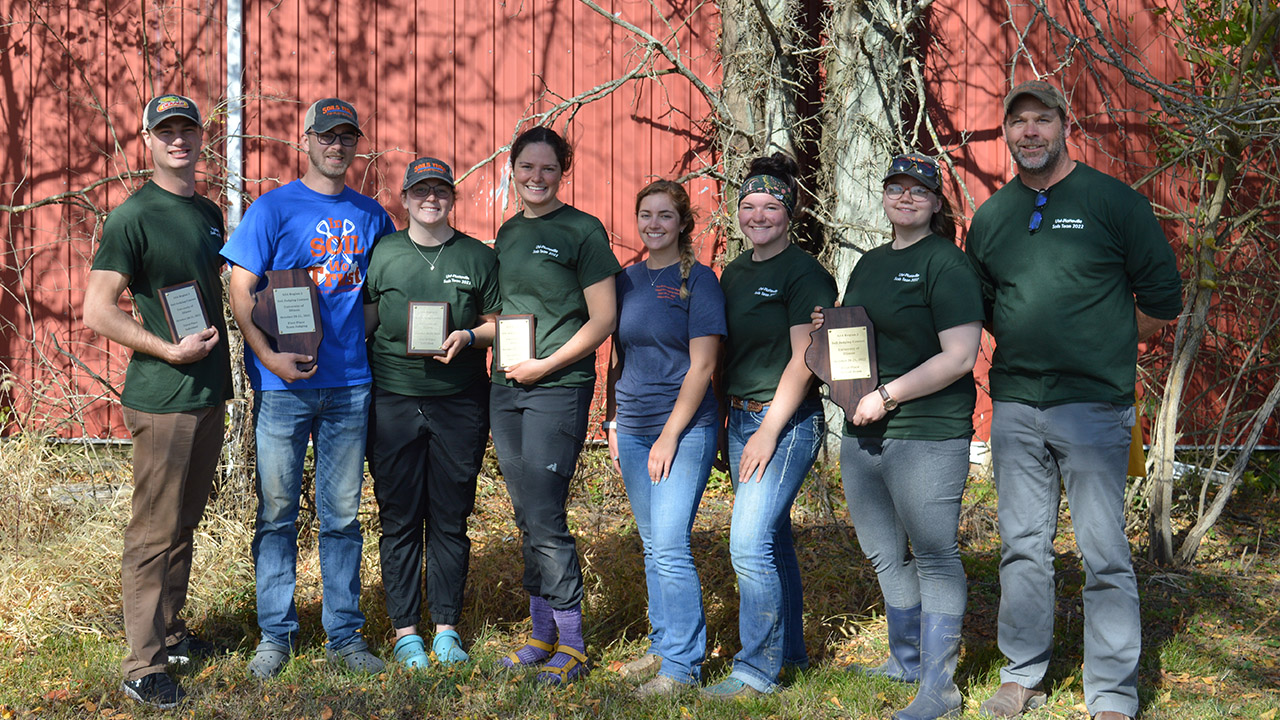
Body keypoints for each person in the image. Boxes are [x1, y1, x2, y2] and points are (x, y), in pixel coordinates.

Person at [966, 81, 1182, 720]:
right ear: (1006, 134)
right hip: (1016, 408)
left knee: (1103, 551)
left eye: (1041, 120)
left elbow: (1162, 300)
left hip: (1093, 409)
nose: (1029, 132)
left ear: (1066, 125)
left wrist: (1105, 343)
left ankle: (1112, 693)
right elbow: (980, 306)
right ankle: (1022, 673)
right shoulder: (994, 216)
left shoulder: (1113, 202)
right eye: (1018, 123)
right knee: (1022, 545)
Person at [222, 97, 395, 678]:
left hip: (350, 384)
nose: (337, 145)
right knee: (276, 513)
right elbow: (241, 290)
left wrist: (347, 338)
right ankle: (276, 634)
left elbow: (379, 297)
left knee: (343, 515)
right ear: (308, 140)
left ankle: (344, 636)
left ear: (355, 145)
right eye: (327, 135)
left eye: (347, 136)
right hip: (283, 387)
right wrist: (270, 355)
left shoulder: (373, 216)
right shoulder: (272, 210)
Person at [813, 154, 983, 720]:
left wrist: (887, 396)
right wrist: (827, 335)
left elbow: (959, 358)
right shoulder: (870, 263)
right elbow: (858, 340)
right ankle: (905, 660)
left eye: (918, 190)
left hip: (927, 432)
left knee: (934, 554)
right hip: (864, 431)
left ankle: (940, 690)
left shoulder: (947, 265)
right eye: (895, 188)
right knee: (884, 553)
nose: (905, 197)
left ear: (936, 203)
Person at [84, 94, 232, 709]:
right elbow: (97, 310)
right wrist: (167, 352)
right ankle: (141, 664)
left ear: (202, 138)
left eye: (188, 131)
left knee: (183, 523)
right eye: (166, 131)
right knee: (152, 531)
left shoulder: (208, 211)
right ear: (146, 139)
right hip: (162, 397)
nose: (179, 141)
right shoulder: (132, 217)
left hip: (206, 393)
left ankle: (170, 634)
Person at [701, 153, 838, 699]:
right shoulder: (734, 272)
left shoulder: (804, 273)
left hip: (782, 422)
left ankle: (755, 671)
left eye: (771, 206)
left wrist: (768, 429)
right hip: (737, 417)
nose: (759, 215)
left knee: (749, 542)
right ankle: (793, 657)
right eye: (749, 205)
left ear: (791, 211)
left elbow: (803, 359)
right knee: (773, 542)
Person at [490, 126, 621, 685]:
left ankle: (573, 644)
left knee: (545, 514)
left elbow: (604, 318)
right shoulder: (508, 232)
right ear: (512, 171)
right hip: (505, 386)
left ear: (561, 172)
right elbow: (506, 315)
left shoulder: (582, 231)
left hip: (557, 387)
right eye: (527, 168)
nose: (536, 178)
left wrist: (546, 366)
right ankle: (541, 633)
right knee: (526, 515)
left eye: (548, 168)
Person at [362, 157, 499, 669]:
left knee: (450, 518)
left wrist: (468, 336)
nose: (431, 199)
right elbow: (366, 320)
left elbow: (498, 324)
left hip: (459, 403)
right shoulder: (385, 253)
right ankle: (405, 632)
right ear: (405, 196)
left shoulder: (477, 255)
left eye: (441, 189)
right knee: (398, 518)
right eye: (421, 190)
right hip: (393, 401)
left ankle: (446, 629)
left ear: (452, 197)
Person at [604, 180, 726, 697]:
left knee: (672, 545)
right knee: (654, 545)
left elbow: (702, 366)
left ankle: (682, 667)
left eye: (665, 216)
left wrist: (670, 436)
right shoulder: (625, 280)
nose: (654, 225)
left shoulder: (699, 282)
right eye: (646, 216)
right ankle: (661, 644)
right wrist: (612, 423)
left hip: (685, 428)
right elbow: (616, 358)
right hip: (631, 427)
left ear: (683, 225)